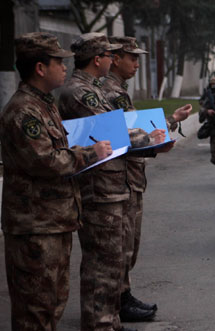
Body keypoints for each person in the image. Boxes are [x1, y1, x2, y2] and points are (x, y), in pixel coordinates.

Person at [1, 32, 112, 331]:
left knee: (51, 305)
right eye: (58, 62)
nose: (65, 67)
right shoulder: (24, 111)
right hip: (34, 228)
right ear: (40, 68)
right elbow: (48, 161)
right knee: (35, 312)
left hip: (53, 222)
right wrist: (91, 152)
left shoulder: (43, 103)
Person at [58, 32, 165, 331]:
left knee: (112, 256)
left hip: (111, 182)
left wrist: (155, 135)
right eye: (109, 55)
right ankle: (100, 323)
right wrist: (154, 137)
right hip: (99, 186)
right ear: (98, 59)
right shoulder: (81, 92)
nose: (112, 60)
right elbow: (114, 129)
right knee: (102, 261)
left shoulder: (89, 89)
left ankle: (108, 319)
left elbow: (117, 127)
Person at [102, 36, 190, 321]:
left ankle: (122, 297)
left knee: (128, 247)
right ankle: (113, 305)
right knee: (115, 250)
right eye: (132, 57)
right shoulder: (106, 91)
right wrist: (152, 141)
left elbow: (134, 128)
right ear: (115, 58)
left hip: (129, 179)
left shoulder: (119, 91)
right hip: (114, 181)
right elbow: (117, 136)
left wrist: (172, 120)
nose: (137, 63)